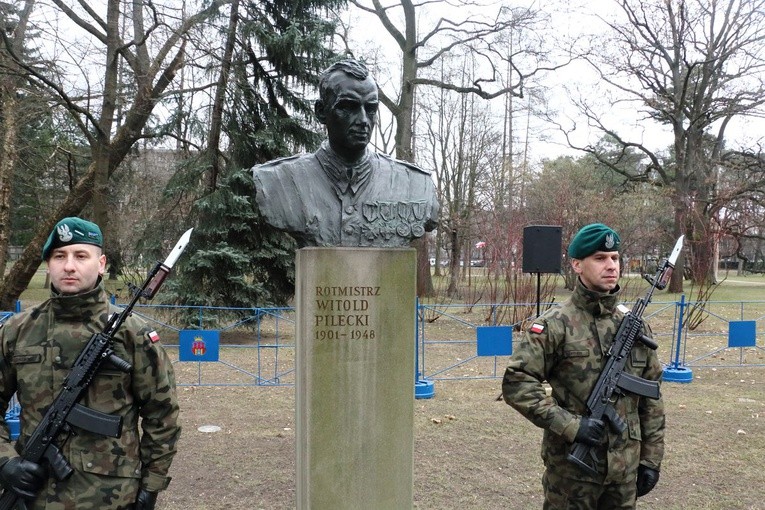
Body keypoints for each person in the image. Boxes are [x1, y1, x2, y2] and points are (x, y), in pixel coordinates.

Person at [0, 217, 181, 509]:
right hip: (35, 497)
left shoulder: (132, 334)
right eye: (60, 256)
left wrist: (151, 485)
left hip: (111, 498)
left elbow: (163, 415)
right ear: (49, 264)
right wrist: (6, 463)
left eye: (80, 255)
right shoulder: (17, 330)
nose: (69, 266)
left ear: (101, 263)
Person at [501, 223, 665, 509]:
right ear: (577, 264)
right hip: (571, 476)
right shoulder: (554, 324)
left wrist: (651, 459)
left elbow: (651, 398)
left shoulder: (635, 328)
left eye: (615, 257)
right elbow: (517, 383)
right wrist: (572, 426)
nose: (611, 265)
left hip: (623, 476)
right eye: (600, 258)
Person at [252, 58, 439, 248]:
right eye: (348, 107)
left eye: (371, 109)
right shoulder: (277, 181)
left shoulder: (416, 185)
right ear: (321, 112)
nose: (363, 120)